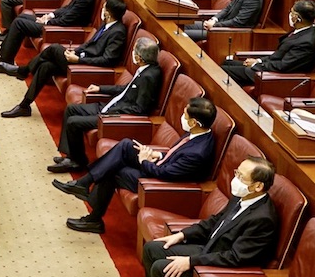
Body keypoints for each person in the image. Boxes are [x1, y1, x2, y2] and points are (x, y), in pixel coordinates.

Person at [134, 157, 278, 277]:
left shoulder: (263, 218)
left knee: (161, 268)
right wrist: (182, 235)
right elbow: (214, 222)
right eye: (236, 173)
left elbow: (236, 257)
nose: (234, 179)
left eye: (241, 177)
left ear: (258, 186)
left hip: (224, 267)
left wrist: (191, 262)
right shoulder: (241, 197)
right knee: (153, 248)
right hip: (209, 249)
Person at [55, 98, 217, 234]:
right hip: (162, 164)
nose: (182, 116)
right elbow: (175, 156)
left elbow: (165, 174)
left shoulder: (197, 152)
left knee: (115, 171)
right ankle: (84, 183)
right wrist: (157, 154)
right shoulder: (199, 133)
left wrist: (145, 160)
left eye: (185, 114)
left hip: (162, 182)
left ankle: (94, 219)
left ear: (194, 122)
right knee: (126, 145)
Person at [0, 0, 128, 118]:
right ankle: (24, 105)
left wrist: (78, 60)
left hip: (86, 67)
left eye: (104, 7)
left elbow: (107, 60)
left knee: (54, 48)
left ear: (108, 13)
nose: (102, 9)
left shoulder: (118, 32)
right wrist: (75, 52)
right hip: (79, 58)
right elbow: (89, 44)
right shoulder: (106, 25)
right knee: (46, 66)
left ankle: (24, 70)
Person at [49, 37, 163, 173]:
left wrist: (112, 112)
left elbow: (140, 109)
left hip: (115, 115)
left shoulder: (149, 77)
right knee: (71, 109)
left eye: (133, 51)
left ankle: (77, 162)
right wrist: (100, 88)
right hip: (110, 106)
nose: (131, 52)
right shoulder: (145, 70)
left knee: (74, 122)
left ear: (139, 58)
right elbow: (126, 89)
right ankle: (73, 157)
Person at [0, 0, 97, 69]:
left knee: (19, 24)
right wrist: (50, 15)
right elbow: (66, 9)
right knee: (22, 17)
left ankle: (6, 60)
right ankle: (4, 58)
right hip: (55, 23)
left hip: (58, 30)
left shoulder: (84, 0)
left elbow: (67, 20)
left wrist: (46, 22)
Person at [221, 0, 315, 87]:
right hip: (268, 67)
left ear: (297, 18)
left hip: (274, 76)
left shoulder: (307, 43)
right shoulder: (302, 29)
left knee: (223, 70)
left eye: (292, 12)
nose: (289, 14)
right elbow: (278, 55)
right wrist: (259, 60)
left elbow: (283, 66)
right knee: (227, 63)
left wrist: (257, 64)